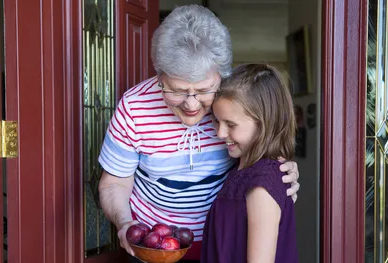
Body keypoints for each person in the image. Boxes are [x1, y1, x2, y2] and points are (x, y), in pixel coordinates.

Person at [97, 5, 300, 262]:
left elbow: (260, 151)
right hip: (153, 248)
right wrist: (125, 223)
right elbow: (114, 183)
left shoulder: (233, 103)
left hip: (220, 245)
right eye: (178, 90)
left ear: (221, 77)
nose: (191, 105)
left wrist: (280, 170)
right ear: (160, 76)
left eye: (204, 90)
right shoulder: (134, 107)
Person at [201, 63, 298, 263]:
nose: (220, 133)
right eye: (217, 121)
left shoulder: (262, 183)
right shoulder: (240, 169)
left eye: (231, 124)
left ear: (264, 123)